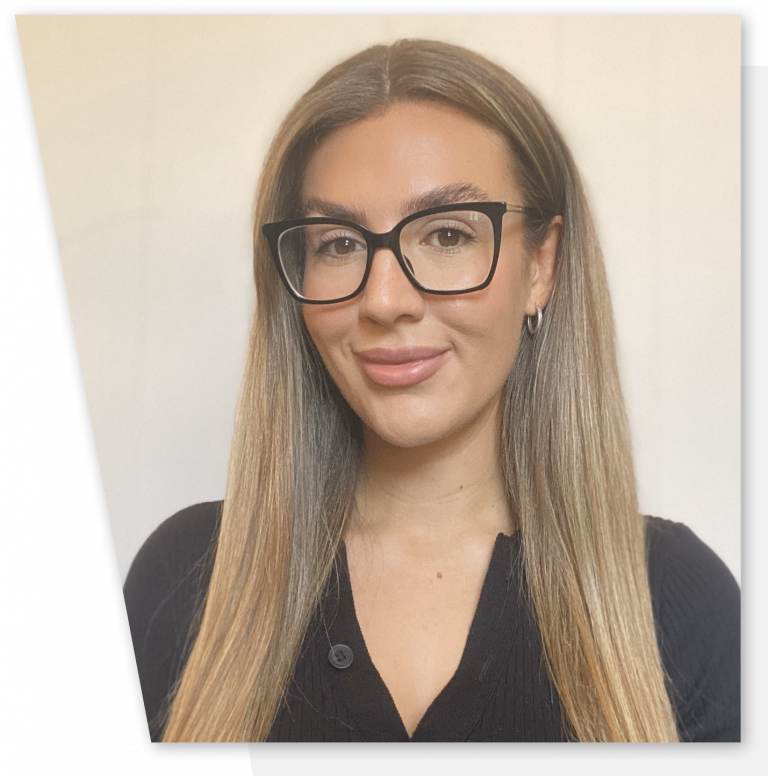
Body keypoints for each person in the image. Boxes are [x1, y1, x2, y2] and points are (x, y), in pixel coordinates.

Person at [123, 39, 740, 743]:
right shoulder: (185, 581)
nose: (385, 301)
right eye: (339, 243)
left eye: (447, 235)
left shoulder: (676, 600)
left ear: (541, 265)